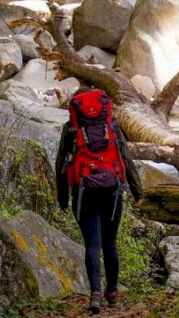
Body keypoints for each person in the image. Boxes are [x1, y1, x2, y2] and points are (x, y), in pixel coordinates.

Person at [55, 88, 143, 314]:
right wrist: (137, 191)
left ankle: (95, 294)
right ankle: (112, 293)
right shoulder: (111, 126)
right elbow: (125, 158)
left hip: (84, 191)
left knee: (92, 244)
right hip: (112, 191)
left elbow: (61, 165)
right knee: (110, 242)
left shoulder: (72, 129)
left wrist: (63, 198)